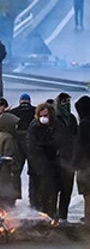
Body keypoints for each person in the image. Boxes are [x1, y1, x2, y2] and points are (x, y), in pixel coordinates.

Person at [27, 102, 61, 219]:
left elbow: (58, 142)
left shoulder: (55, 126)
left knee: (50, 194)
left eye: (46, 115)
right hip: (37, 168)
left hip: (51, 167)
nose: (43, 118)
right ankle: (36, 217)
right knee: (35, 195)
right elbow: (32, 146)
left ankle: (50, 216)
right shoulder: (34, 126)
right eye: (41, 115)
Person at [10, 93, 37, 207]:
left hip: (17, 144)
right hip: (32, 143)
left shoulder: (13, 112)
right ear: (29, 101)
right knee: (33, 173)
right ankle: (33, 199)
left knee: (15, 171)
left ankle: (12, 198)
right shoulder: (35, 111)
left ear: (20, 101)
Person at [54, 93, 78, 222]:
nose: (66, 103)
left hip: (69, 159)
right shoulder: (55, 119)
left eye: (68, 101)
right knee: (55, 188)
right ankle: (53, 215)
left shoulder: (72, 118)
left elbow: (76, 136)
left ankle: (63, 215)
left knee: (67, 189)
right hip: (57, 159)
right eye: (64, 101)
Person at [0, 112, 23, 209]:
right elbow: (10, 157)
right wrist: (16, 169)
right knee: (8, 207)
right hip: (8, 178)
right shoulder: (8, 138)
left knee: (0, 205)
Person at [73, 96, 90, 223]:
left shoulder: (85, 124)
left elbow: (81, 145)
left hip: (86, 165)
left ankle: (88, 220)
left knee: (87, 194)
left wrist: (75, 163)